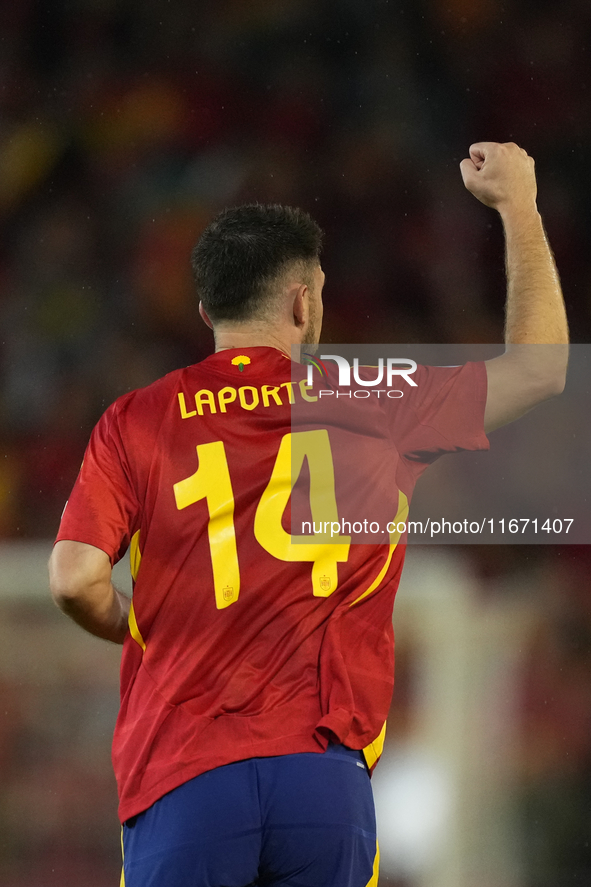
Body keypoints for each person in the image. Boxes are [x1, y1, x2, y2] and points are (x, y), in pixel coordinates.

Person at [49, 142, 567, 887]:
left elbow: (72, 579)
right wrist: (518, 204)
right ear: (302, 300)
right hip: (322, 777)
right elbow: (541, 369)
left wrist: (130, 619)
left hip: (184, 767)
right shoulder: (377, 395)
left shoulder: (136, 419)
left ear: (206, 311)